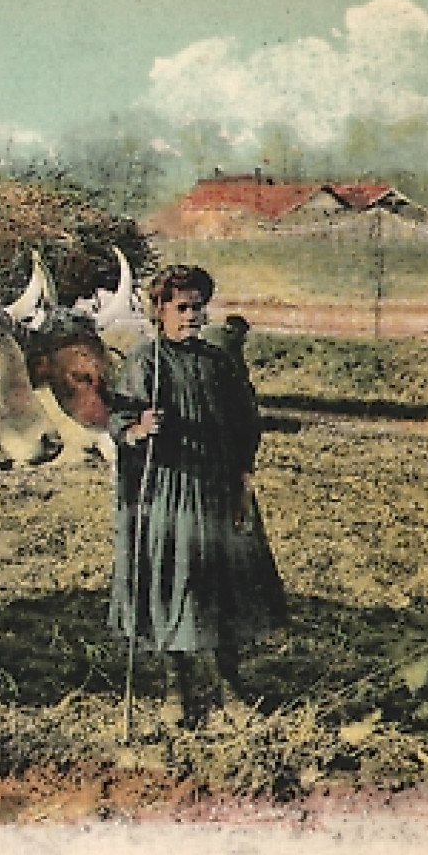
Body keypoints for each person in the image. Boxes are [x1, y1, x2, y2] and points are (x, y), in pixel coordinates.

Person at [108, 265, 287, 729]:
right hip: (168, 489)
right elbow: (118, 419)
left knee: (223, 584)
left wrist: (244, 471)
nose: (192, 316)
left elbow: (246, 420)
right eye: (181, 307)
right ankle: (177, 686)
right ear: (160, 311)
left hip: (217, 487)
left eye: (198, 307)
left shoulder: (218, 362)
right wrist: (137, 428)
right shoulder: (145, 362)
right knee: (174, 582)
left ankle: (228, 684)